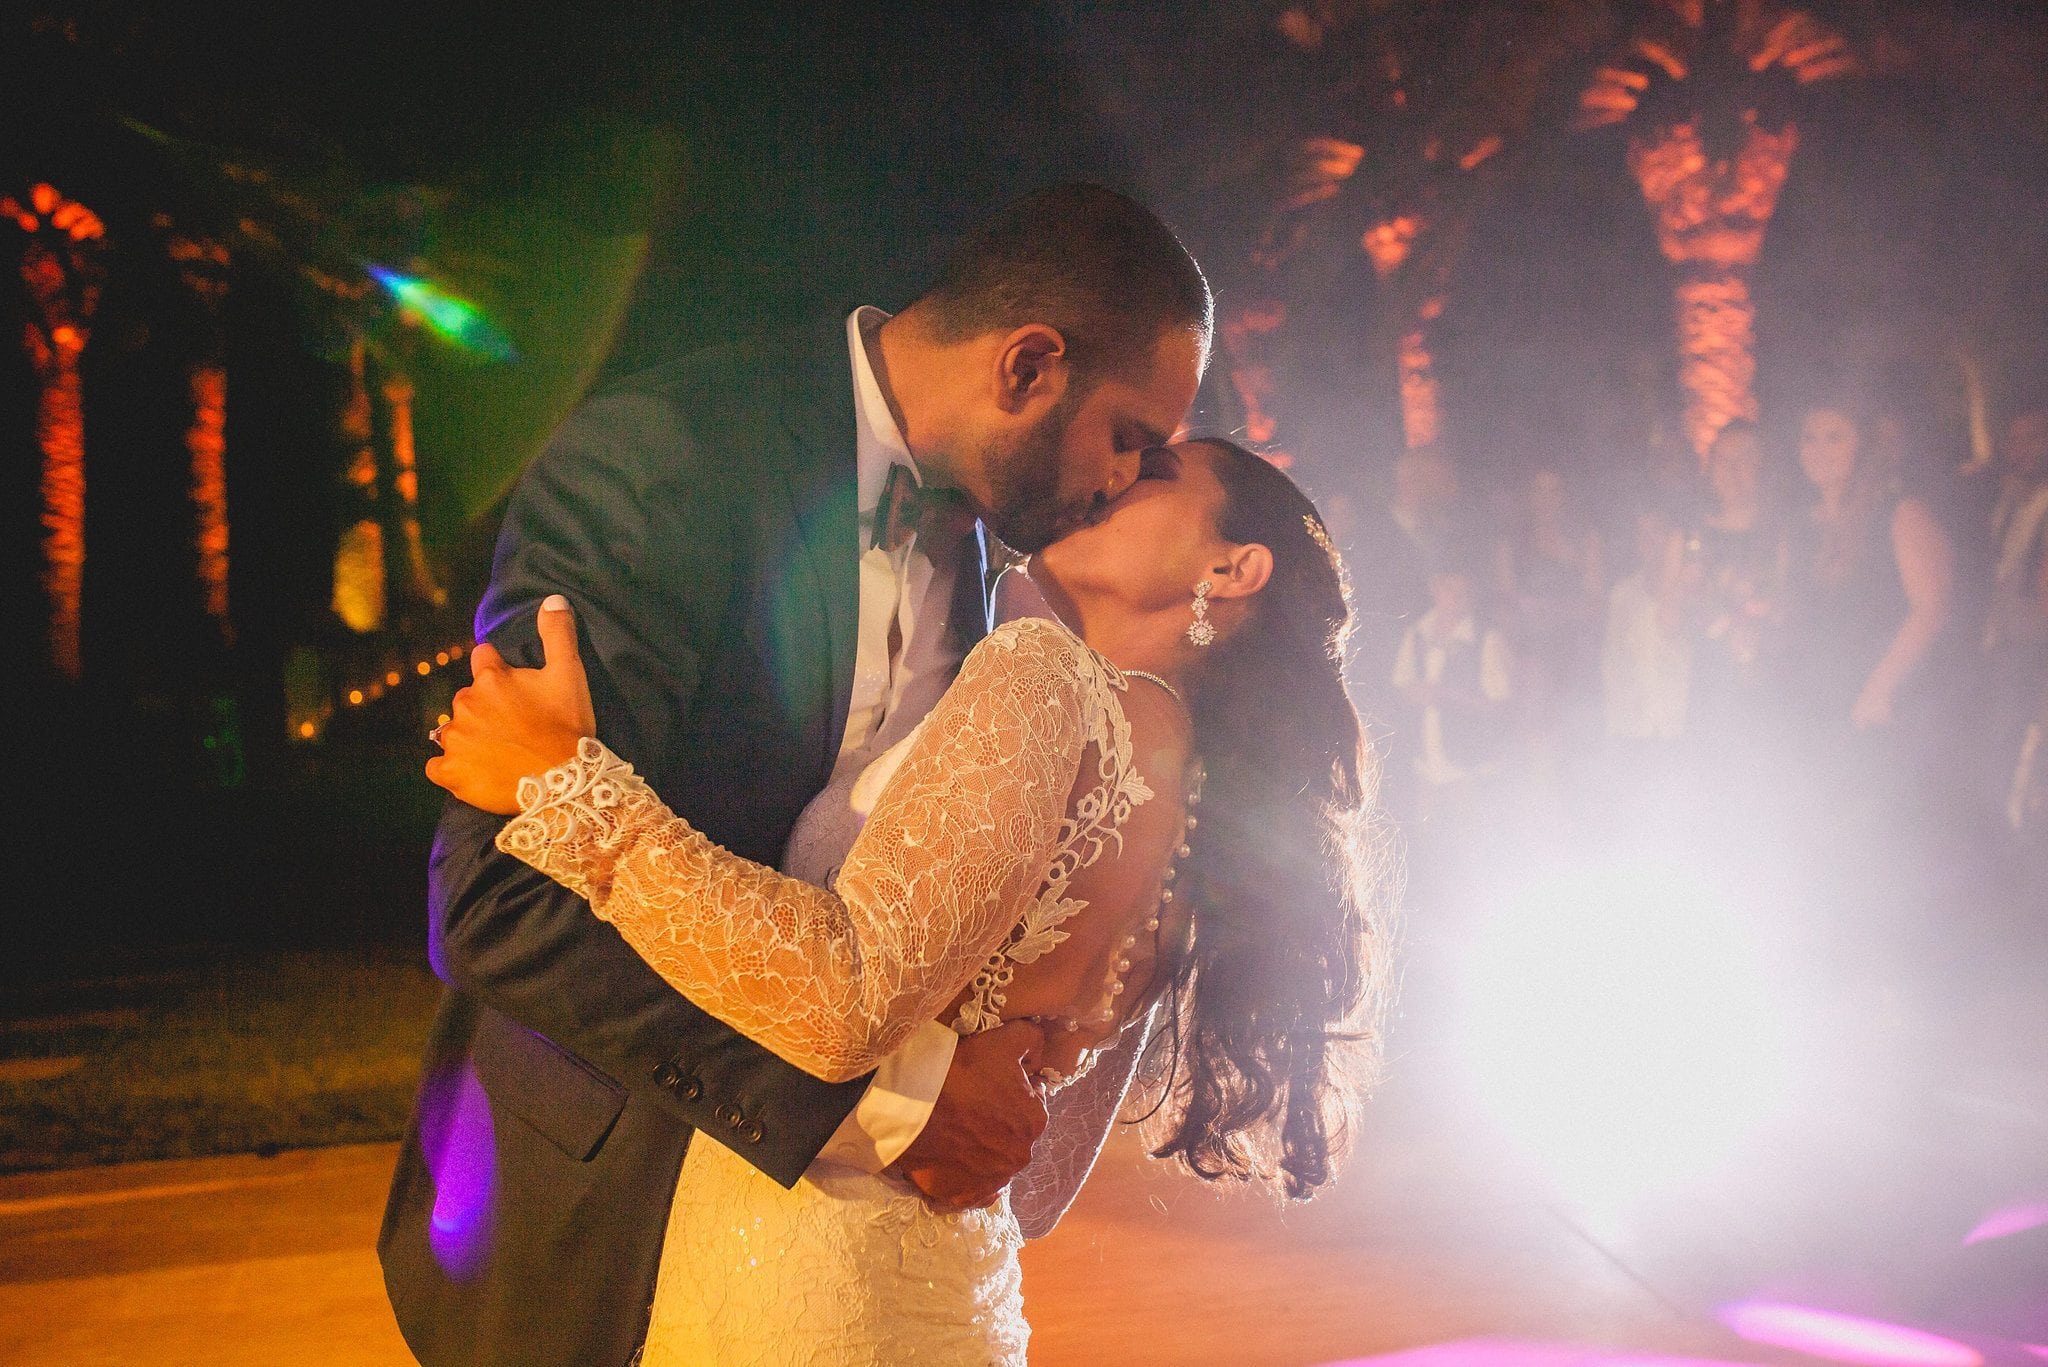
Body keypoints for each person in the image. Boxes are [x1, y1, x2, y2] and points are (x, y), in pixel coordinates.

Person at [379, 184, 1213, 1367]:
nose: (1126, 478)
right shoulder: (665, 459)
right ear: (1028, 364)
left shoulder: (1017, 586)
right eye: (1127, 433)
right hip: (603, 1213)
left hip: (845, 1261)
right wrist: (880, 1100)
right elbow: (494, 901)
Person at [427, 438, 1391, 1364]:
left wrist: (572, 788)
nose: (1113, 479)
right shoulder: (1199, 824)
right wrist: (935, 1090)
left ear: (1231, 569)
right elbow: (1034, 1178)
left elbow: (844, 996)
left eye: (1157, 469)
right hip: (948, 1297)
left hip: (798, 1279)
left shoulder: (1043, 673)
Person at [1780, 403, 1954, 738]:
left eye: (1834, 438)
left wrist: (1880, 688)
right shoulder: (1798, 524)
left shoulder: (1901, 514)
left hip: (1875, 700)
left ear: (1862, 446)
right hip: (1810, 697)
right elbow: (1796, 607)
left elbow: (1931, 609)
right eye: (1809, 438)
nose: (1819, 450)